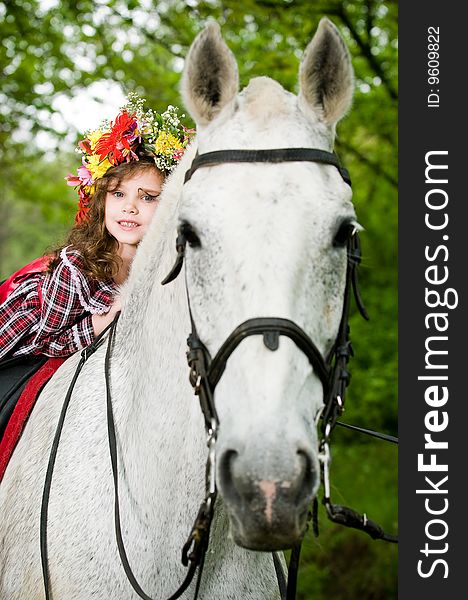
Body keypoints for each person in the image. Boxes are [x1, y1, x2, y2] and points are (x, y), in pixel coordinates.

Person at [0, 93, 194, 439]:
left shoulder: (169, 270)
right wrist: (98, 323)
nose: (129, 208)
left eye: (147, 197)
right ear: (102, 201)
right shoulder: (77, 268)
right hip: (28, 337)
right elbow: (45, 340)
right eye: (118, 194)